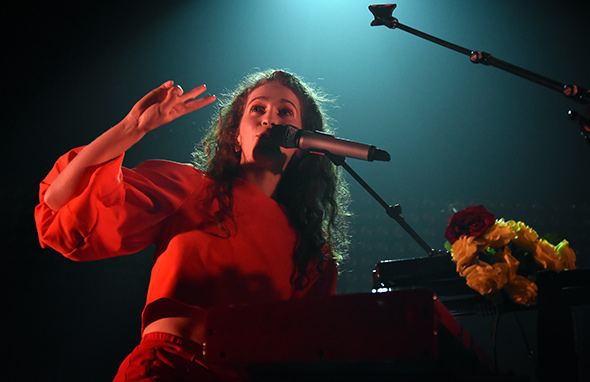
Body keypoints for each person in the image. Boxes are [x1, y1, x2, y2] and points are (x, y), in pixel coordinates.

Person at [35, 69, 350, 381]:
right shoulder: (192, 187)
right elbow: (61, 205)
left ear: (304, 145)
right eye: (258, 108)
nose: (271, 119)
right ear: (235, 134)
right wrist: (132, 127)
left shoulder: (310, 250)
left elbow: (307, 352)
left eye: (285, 112)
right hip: (168, 367)